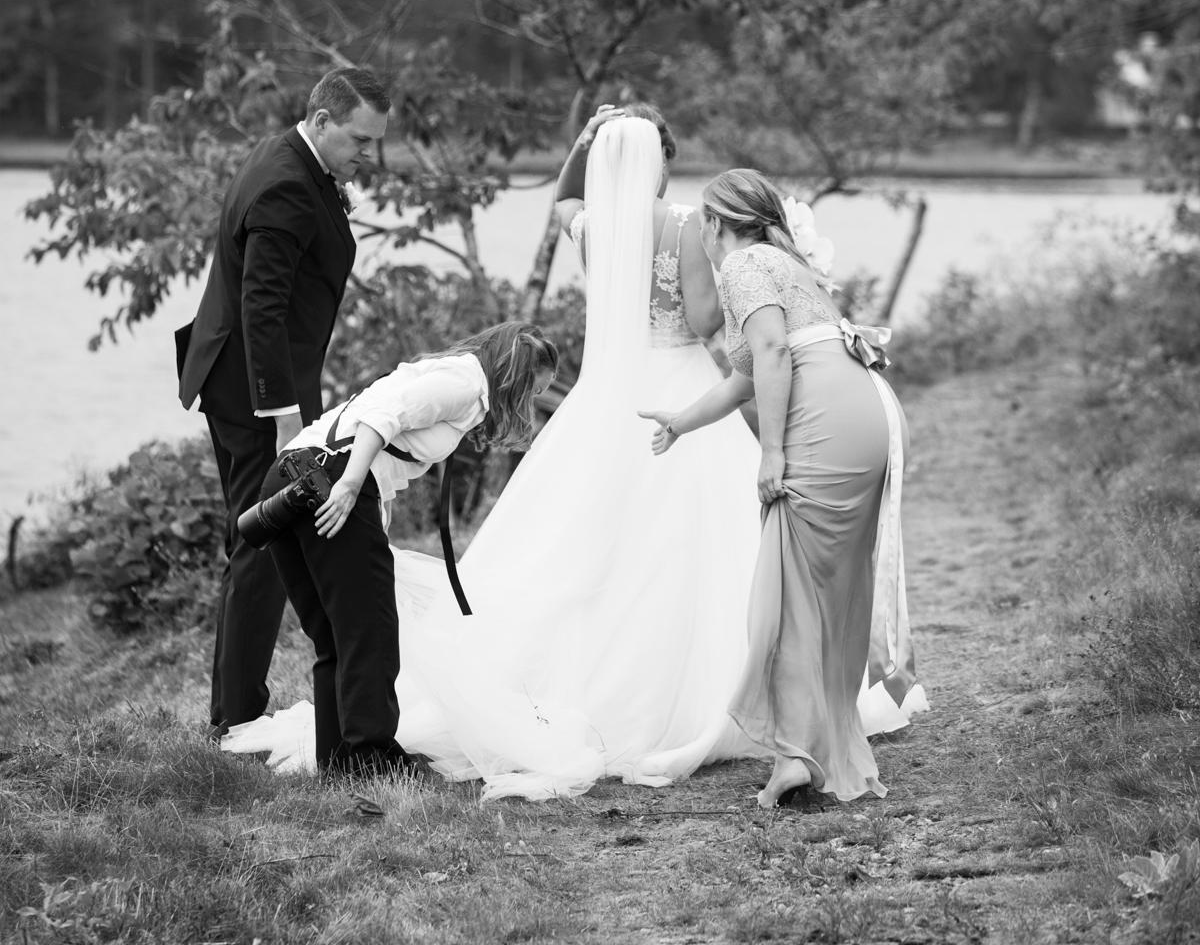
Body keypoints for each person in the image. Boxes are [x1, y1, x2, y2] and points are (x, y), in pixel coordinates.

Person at [225, 114, 922, 799]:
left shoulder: (597, 229)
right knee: (708, 542)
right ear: (660, 166)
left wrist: (582, 146)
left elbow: (564, 203)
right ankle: (762, 695)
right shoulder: (683, 225)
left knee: (584, 540)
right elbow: (708, 323)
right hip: (678, 376)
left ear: (606, 166)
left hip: (608, 395)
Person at [641, 168, 920, 805]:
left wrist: (771, 454)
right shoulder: (784, 263)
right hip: (865, 412)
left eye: (703, 224)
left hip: (826, 422)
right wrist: (680, 423)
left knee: (792, 591)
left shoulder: (742, 266)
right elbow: (745, 374)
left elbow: (772, 355)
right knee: (825, 589)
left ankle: (797, 754)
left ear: (715, 224)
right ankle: (812, 744)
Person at [237, 322, 558, 778]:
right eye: (533, 390)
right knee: (372, 632)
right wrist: (349, 485)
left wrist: (371, 517)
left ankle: (339, 757)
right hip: (332, 479)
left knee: (335, 632)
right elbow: (382, 415)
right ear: (516, 375)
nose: (529, 402)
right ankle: (371, 756)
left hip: (293, 474)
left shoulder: (454, 377)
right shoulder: (465, 384)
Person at [176, 66, 390, 735]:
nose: (368, 155)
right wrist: (288, 421)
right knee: (263, 544)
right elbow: (261, 308)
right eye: (359, 140)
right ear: (322, 122)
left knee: (262, 541)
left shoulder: (285, 154)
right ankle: (235, 718)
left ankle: (234, 708)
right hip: (254, 393)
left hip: (252, 379)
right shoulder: (287, 186)